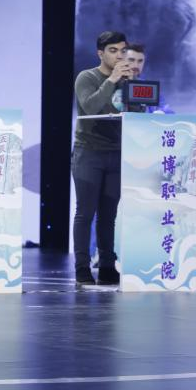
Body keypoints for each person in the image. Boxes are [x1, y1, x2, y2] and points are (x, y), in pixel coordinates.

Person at [72, 31, 132, 286]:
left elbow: (136, 114)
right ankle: (82, 268)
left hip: (116, 153)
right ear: (100, 53)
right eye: (113, 50)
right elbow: (90, 107)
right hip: (89, 152)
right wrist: (112, 80)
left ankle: (107, 266)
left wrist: (130, 87)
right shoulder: (87, 77)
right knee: (85, 213)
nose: (119, 55)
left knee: (109, 215)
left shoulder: (127, 81)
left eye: (122, 50)